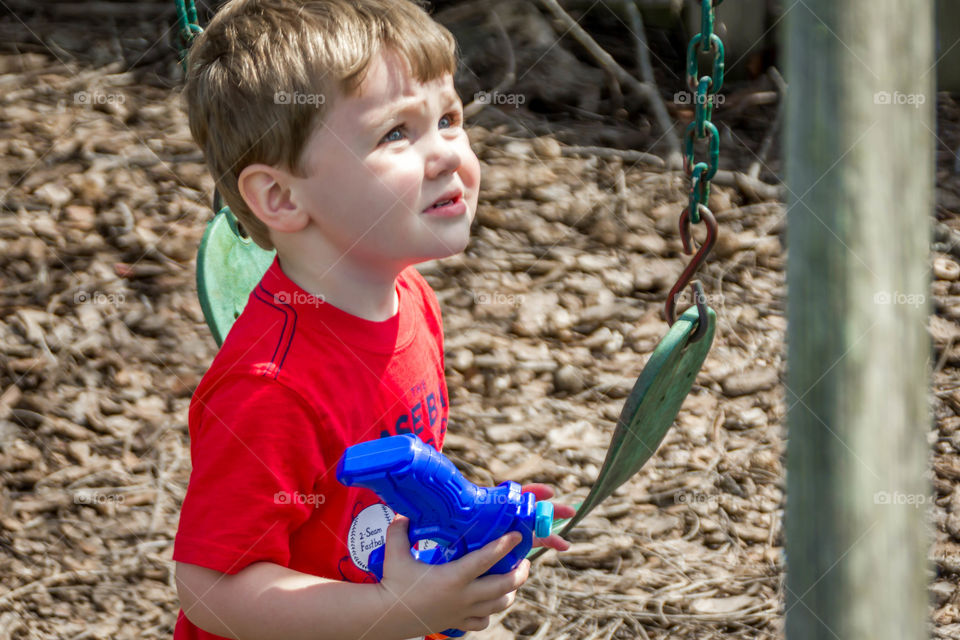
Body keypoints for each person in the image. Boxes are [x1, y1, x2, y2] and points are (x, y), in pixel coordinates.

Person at [172, 1, 574, 639]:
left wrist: (476, 521)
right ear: (281, 196)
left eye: (448, 119)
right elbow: (211, 589)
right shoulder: (270, 387)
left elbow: (387, 489)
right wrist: (399, 610)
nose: (445, 154)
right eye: (396, 133)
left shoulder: (409, 298)